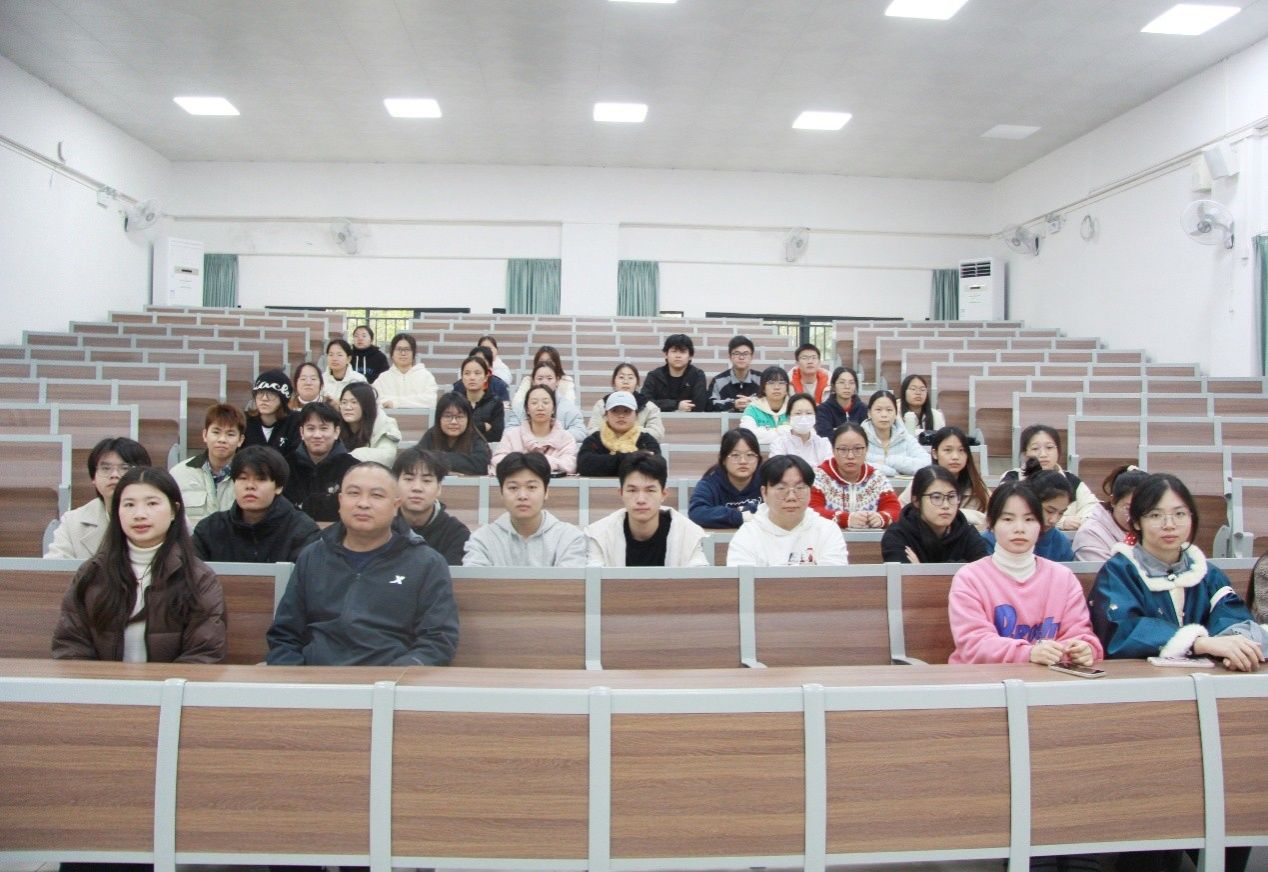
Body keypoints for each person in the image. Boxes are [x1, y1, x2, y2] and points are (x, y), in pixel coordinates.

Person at [266, 462, 459, 666]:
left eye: (376, 495)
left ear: (396, 506)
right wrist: (295, 674)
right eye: (354, 493)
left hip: (391, 678)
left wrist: (394, 677)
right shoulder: (313, 556)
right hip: (316, 675)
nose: (363, 503)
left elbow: (437, 640)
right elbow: (285, 634)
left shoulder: (426, 563)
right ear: (340, 501)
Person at [1091, 473, 1264, 670]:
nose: (1169, 525)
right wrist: (1198, 643)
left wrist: (1235, 647)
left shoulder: (1208, 574)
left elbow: (1232, 616)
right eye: (1155, 515)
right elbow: (1118, 631)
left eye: (1179, 514)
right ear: (1137, 522)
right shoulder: (1119, 572)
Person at [52, 467, 226, 663]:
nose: (139, 514)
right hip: (99, 682)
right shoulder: (93, 573)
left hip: (173, 683)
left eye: (152, 503)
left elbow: (203, 653)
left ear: (174, 511)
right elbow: (70, 644)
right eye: (129, 505)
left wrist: (165, 683)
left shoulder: (199, 578)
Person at [948, 480, 1103, 665]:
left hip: (1048, 679)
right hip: (985, 679)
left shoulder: (1064, 578)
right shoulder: (970, 578)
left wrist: (1085, 649)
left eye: (1029, 519)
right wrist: (1027, 653)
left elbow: (1080, 633)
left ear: (1040, 524)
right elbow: (974, 644)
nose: (1019, 528)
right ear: (991, 523)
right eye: (1008, 519)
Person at [192, 446, 320, 564]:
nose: (250, 486)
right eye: (243, 478)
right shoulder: (209, 529)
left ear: (279, 487)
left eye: (260, 479)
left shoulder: (302, 530)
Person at [462, 452, 588, 567]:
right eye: (513, 488)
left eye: (531, 487)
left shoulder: (569, 538)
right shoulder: (481, 539)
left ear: (546, 492)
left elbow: (570, 583)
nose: (522, 496)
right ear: (501, 492)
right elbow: (476, 582)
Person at [586, 453, 708, 567]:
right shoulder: (600, 535)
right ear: (621, 493)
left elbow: (699, 578)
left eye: (650, 490)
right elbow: (594, 577)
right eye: (632, 490)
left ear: (664, 494)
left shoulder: (689, 534)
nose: (641, 500)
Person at [726, 455, 849, 566]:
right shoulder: (748, 535)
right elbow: (743, 581)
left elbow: (835, 580)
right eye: (781, 488)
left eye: (799, 488)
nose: (791, 497)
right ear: (764, 493)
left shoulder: (827, 531)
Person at [46, 437, 152, 559]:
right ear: (93, 478)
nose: (114, 475)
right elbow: (56, 567)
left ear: (144, 476)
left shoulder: (161, 516)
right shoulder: (72, 522)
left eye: (125, 468)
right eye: (106, 468)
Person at [881, 466, 989, 564]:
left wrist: (922, 570)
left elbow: (981, 572)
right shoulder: (897, 536)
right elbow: (902, 578)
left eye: (951, 497)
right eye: (936, 497)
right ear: (916, 501)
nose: (946, 505)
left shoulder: (968, 534)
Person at [999, 424, 1097, 530]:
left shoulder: (1072, 481)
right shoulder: (1012, 478)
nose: (1043, 454)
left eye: (1049, 447)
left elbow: (1093, 509)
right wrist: (1061, 522)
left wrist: (1082, 522)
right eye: (1035, 448)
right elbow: (1008, 511)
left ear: (1058, 451)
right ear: (1025, 454)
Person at [981, 459, 1076, 561]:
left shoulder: (1061, 542)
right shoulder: (989, 540)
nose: (1053, 520)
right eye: (1049, 511)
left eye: (1061, 513)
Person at [810, 423, 900, 529]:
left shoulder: (876, 478)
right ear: (833, 450)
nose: (850, 456)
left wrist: (882, 517)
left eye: (857, 449)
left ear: (866, 449)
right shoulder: (819, 476)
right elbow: (811, 511)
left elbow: (895, 509)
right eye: (843, 449)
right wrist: (845, 519)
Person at [898, 427, 989, 530]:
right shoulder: (921, 483)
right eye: (948, 450)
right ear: (935, 454)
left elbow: (991, 521)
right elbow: (900, 513)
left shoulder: (978, 488)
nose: (955, 457)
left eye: (961, 450)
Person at [284, 401, 361, 522]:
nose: (317, 435)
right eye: (310, 429)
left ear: (336, 432)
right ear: (302, 432)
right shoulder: (285, 466)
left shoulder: (354, 468)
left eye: (324, 428)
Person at [170, 403, 245, 527]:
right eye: (216, 432)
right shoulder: (178, 473)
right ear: (205, 435)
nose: (222, 439)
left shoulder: (249, 476)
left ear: (240, 440)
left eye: (230, 434)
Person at [393, 448, 471, 566]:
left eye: (426, 480)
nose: (417, 488)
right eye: (408, 479)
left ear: (439, 488)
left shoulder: (456, 534)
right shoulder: (381, 527)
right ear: (395, 484)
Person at [492, 384, 579, 475]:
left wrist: (535, 462)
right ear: (527, 409)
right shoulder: (511, 435)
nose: (540, 407)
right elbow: (497, 461)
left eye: (545, 402)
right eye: (534, 403)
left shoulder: (566, 438)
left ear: (553, 409)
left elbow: (570, 465)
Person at [1071, 464, 1150, 561]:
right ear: (1113, 501)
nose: (1137, 515)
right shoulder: (1091, 533)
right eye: (1129, 508)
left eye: (1146, 509)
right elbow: (1108, 570)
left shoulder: (1159, 529)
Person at [687, 429, 763, 529]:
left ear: (758, 458)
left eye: (750, 455)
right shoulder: (709, 483)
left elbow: (776, 509)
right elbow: (697, 512)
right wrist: (744, 516)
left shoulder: (767, 481)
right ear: (723, 459)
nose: (743, 461)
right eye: (735, 455)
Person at [577, 391, 662, 476]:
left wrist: (607, 463)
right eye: (615, 411)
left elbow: (654, 466)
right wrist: (632, 458)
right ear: (606, 415)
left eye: (626, 411)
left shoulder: (646, 440)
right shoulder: (594, 439)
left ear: (636, 415)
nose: (621, 416)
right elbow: (584, 465)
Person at [505, 361, 587, 441]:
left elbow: (580, 432)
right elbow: (508, 431)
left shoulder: (568, 407)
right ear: (533, 381)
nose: (544, 382)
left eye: (549, 378)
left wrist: (551, 437)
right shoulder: (520, 407)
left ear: (557, 381)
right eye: (540, 379)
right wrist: (533, 438)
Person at [417, 392, 492, 476]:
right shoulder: (432, 434)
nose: (454, 422)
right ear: (439, 418)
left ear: (468, 419)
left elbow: (481, 466)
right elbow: (418, 458)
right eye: (448, 416)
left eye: (460, 417)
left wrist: (437, 459)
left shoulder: (475, 437)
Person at [587, 362, 665, 441]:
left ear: (637, 382)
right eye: (621, 377)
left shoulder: (649, 407)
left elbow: (658, 434)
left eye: (630, 378)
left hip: (639, 447)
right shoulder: (602, 404)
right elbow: (592, 431)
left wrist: (629, 430)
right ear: (614, 382)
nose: (625, 382)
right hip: (607, 447)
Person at [862, 389, 931, 477]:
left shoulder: (905, 438)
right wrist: (892, 472)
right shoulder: (859, 439)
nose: (884, 415)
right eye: (878, 410)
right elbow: (859, 467)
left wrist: (887, 461)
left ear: (896, 414)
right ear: (869, 413)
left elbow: (926, 464)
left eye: (889, 410)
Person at [338, 382, 402, 465]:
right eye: (344, 402)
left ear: (367, 405)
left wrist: (350, 457)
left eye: (354, 402)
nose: (348, 407)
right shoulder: (335, 424)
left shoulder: (384, 425)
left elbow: (387, 456)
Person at [643, 333, 709, 413]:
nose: (678, 356)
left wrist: (663, 405)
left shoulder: (697, 375)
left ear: (690, 356)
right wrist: (676, 405)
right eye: (674, 351)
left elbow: (699, 404)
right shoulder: (654, 376)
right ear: (666, 354)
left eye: (682, 352)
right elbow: (645, 402)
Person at [243, 368, 300, 456]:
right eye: (260, 393)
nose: (264, 398)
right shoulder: (245, 421)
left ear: (282, 399)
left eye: (271, 394)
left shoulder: (295, 421)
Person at [374, 332, 438, 409]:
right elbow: (376, 401)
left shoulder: (426, 376)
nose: (403, 353)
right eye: (399, 349)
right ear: (392, 353)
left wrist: (395, 403)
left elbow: (431, 401)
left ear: (413, 353)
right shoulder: (383, 378)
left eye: (407, 349)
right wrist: (414, 401)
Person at [769, 392, 831, 467]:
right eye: (798, 413)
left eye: (808, 413)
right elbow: (777, 469)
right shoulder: (779, 444)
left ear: (815, 416)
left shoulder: (823, 444)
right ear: (789, 417)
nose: (804, 418)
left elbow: (829, 469)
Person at [457, 352, 504, 442]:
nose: (472, 377)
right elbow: (453, 430)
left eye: (477, 373)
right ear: (462, 377)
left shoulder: (495, 402)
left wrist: (466, 431)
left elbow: (496, 435)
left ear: (486, 377)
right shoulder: (455, 401)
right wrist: (482, 426)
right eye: (467, 373)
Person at [739, 366, 792, 448]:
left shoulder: (794, 407)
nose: (777, 387)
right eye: (771, 383)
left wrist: (764, 432)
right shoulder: (753, 408)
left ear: (787, 387)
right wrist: (782, 431)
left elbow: (800, 434)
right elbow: (747, 436)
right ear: (763, 387)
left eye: (781, 383)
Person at [709, 335, 761, 412]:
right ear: (730, 357)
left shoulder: (761, 379)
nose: (741, 357)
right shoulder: (718, 381)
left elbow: (771, 402)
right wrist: (733, 404)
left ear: (751, 357)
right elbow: (710, 405)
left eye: (745, 354)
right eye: (737, 353)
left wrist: (754, 402)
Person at [815, 366, 867, 437]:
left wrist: (836, 432)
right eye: (842, 382)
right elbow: (825, 436)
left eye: (851, 383)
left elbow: (867, 435)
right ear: (833, 386)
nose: (847, 387)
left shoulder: (863, 409)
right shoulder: (823, 410)